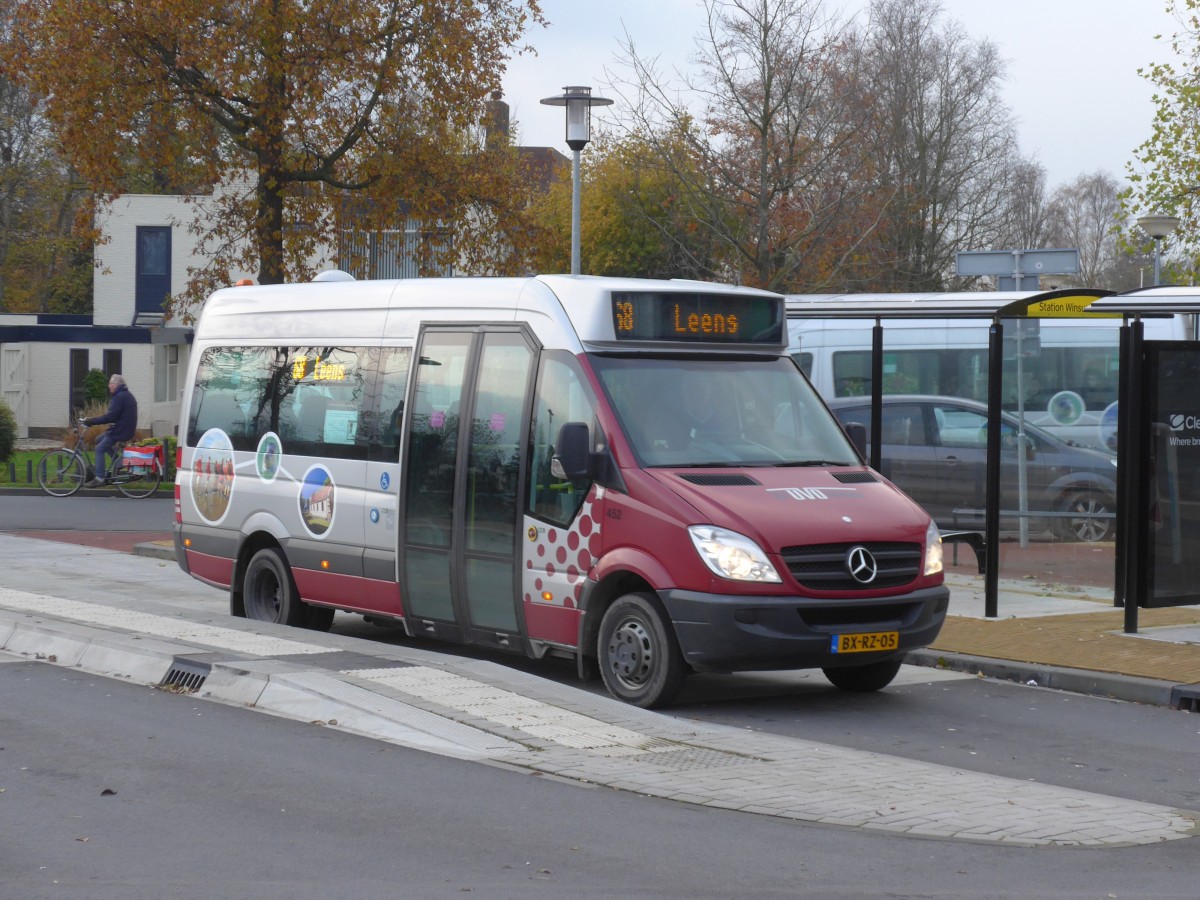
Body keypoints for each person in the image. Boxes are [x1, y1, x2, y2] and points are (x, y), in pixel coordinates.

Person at [82, 374, 138, 488]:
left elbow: (110, 417)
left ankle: (99, 478)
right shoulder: (125, 395)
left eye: (110, 384)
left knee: (99, 449)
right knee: (98, 439)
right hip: (124, 428)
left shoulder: (120, 397)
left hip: (121, 431)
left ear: (116, 385)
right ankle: (118, 462)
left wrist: (92, 421)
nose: (109, 386)